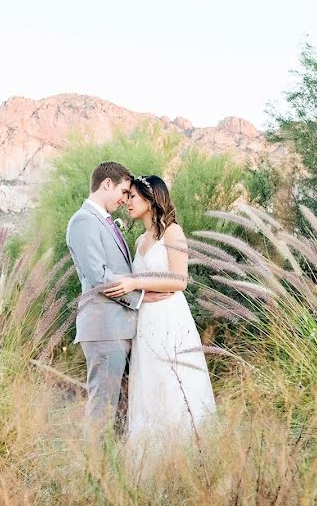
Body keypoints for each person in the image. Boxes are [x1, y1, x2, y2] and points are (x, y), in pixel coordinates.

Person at [104, 174, 216, 456]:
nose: (127, 201)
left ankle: (183, 456)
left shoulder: (173, 233)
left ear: (151, 199)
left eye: (133, 196)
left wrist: (134, 283)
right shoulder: (141, 238)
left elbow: (179, 281)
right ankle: (150, 459)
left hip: (169, 318)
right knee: (148, 384)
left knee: (172, 382)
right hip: (145, 321)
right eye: (126, 196)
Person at [65, 162, 172, 433]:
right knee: (102, 409)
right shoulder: (83, 221)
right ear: (107, 185)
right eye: (123, 191)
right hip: (104, 330)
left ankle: (114, 472)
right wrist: (142, 297)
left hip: (120, 328)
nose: (124, 199)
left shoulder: (102, 222)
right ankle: (93, 471)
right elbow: (99, 277)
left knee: (121, 410)